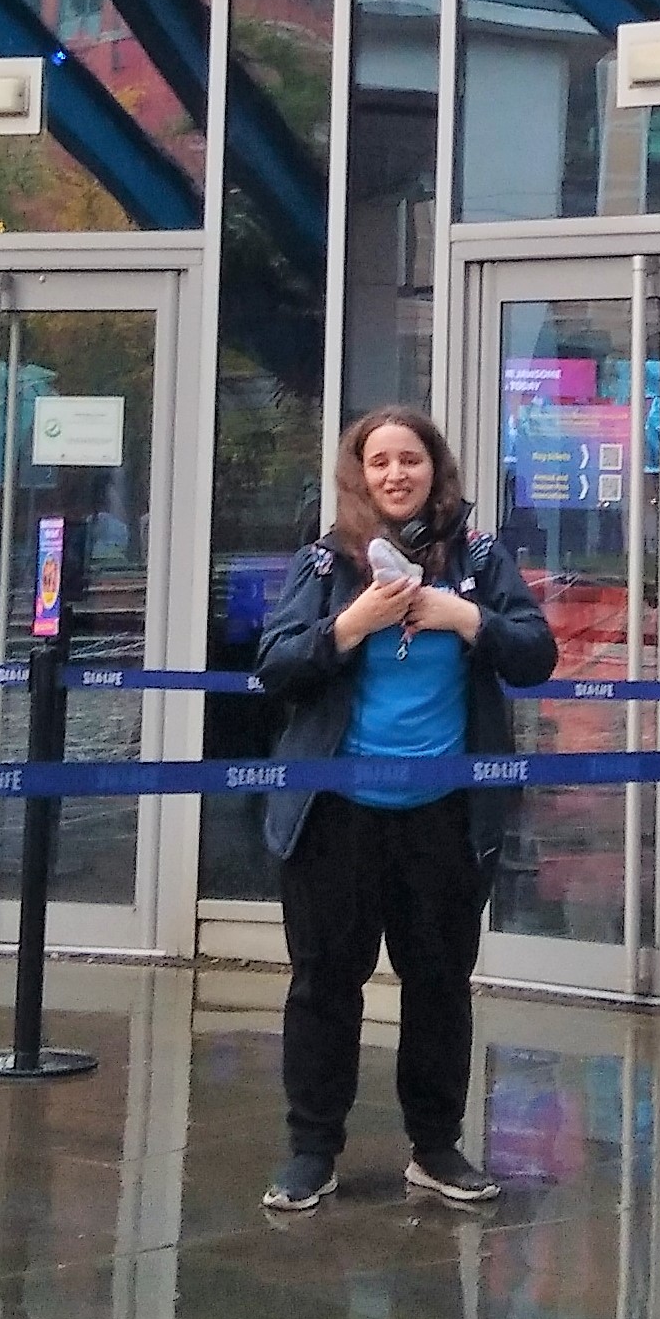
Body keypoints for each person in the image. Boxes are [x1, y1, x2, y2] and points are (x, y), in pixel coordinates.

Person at [252, 406, 558, 1212]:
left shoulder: (479, 556)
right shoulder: (324, 561)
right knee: (324, 984)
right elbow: (275, 666)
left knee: (439, 983)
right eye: (379, 461)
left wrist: (467, 618)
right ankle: (311, 1151)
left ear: (435, 468)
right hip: (336, 812)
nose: (396, 474)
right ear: (359, 473)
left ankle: (436, 1147)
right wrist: (352, 625)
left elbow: (535, 655)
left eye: (411, 460)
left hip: (444, 814)